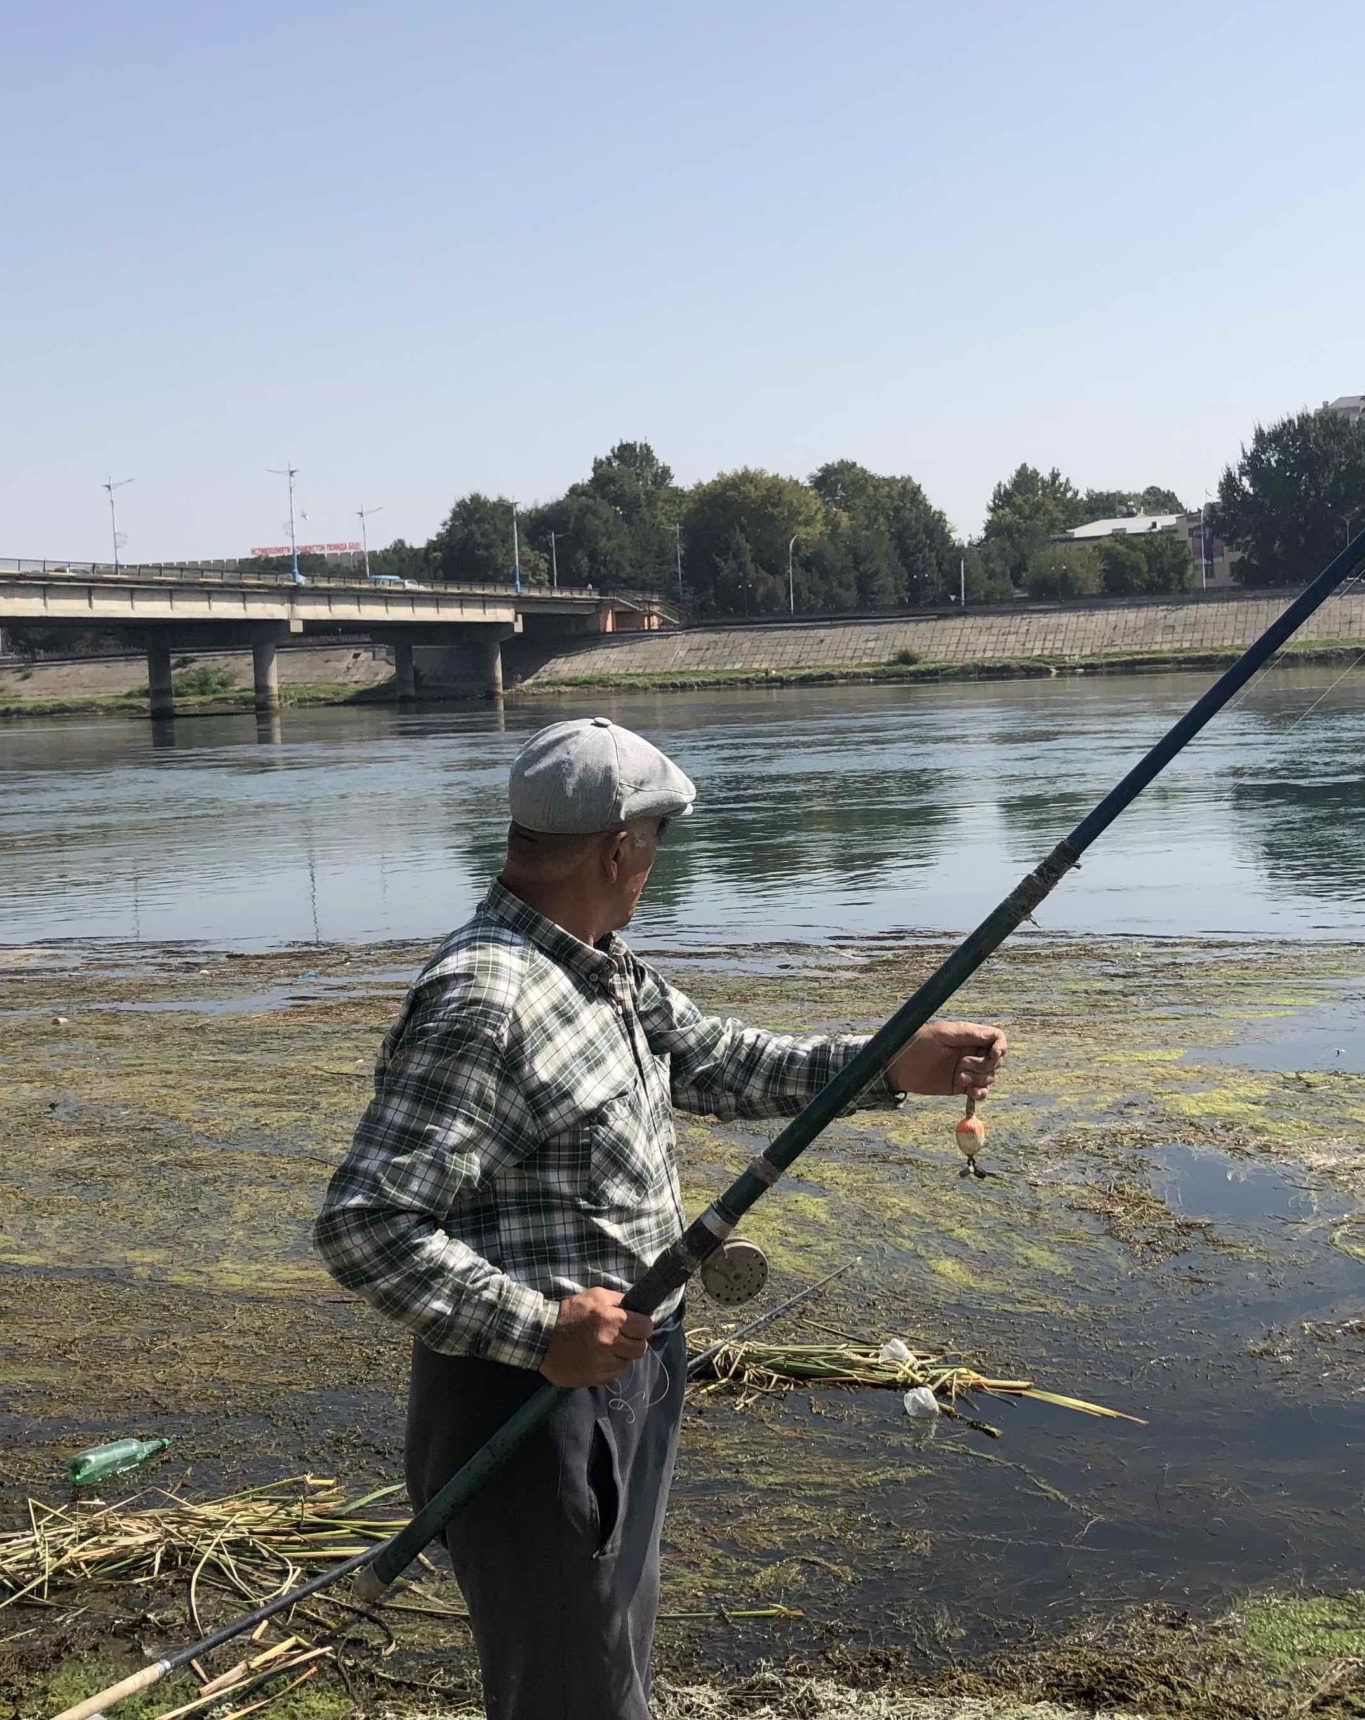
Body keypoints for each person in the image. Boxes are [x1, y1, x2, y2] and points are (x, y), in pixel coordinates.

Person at [315, 716, 1005, 1720]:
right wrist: (540, 1331)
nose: (654, 866)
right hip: (529, 1409)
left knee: (612, 1668)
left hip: (631, 1368)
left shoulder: (605, 968)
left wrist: (893, 1064)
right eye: (658, 842)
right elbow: (364, 1224)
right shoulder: (487, 998)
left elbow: (722, 1063)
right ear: (619, 847)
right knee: (569, 1697)